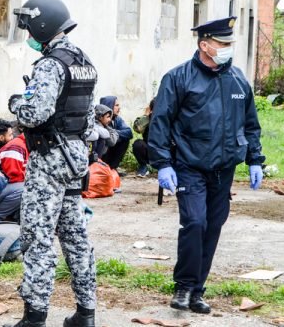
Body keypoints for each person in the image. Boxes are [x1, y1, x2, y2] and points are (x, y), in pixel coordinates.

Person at [149, 16, 265, 314]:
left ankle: (197, 291)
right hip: (190, 165)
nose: (228, 48)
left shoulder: (238, 80)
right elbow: (160, 122)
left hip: (224, 170)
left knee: (213, 227)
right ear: (204, 45)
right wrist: (163, 163)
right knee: (195, 223)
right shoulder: (178, 78)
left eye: (229, 43)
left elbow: (251, 125)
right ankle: (183, 287)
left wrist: (255, 159)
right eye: (222, 43)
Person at [7, 0, 97, 327]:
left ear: (42, 25)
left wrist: (17, 103)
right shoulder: (83, 60)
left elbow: (34, 113)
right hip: (75, 157)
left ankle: (35, 317)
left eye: (30, 25)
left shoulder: (50, 64)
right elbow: (88, 121)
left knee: (38, 238)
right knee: (75, 238)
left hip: (48, 159)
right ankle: (86, 313)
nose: (28, 32)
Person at [98, 96, 133, 171]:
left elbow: (129, 132)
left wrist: (113, 133)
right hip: (100, 155)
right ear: (109, 106)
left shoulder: (117, 119)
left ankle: (113, 168)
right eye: (116, 105)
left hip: (111, 147)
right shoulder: (98, 120)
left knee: (124, 140)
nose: (119, 108)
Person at [132, 98, 155, 177]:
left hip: (164, 149)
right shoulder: (147, 119)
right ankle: (144, 166)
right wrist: (146, 115)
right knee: (138, 144)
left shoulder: (169, 117)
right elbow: (138, 128)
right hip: (150, 148)